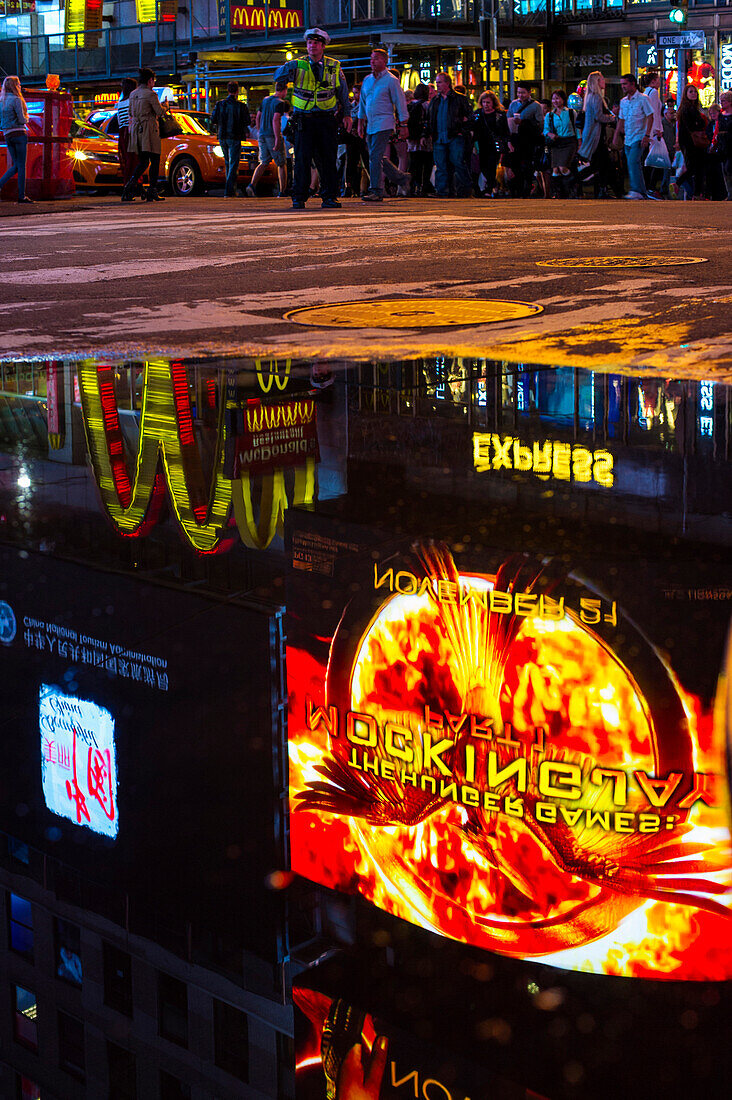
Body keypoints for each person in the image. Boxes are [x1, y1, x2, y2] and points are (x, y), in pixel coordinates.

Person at [274, 27, 352, 210]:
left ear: (323, 46)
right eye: (309, 43)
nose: (312, 46)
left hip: (326, 119)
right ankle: (299, 197)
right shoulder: (298, 64)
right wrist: (287, 67)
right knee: (302, 159)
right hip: (304, 119)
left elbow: (342, 92)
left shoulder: (334, 65)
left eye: (316, 43)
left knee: (328, 159)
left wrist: (347, 114)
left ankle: (329, 197)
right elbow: (277, 78)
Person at [358, 48, 410, 202]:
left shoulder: (391, 80)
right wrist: (360, 121)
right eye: (371, 58)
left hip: (385, 122)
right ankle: (401, 178)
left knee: (375, 155)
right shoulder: (367, 80)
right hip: (371, 123)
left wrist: (404, 123)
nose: (372, 61)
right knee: (377, 155)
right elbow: (362, 102)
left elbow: (400, 102)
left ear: (385, 61)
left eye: (376, 59)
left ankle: (376, 189)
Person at [122, 68, 165, 202]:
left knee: (143, 161)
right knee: (155, 160)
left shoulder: (133, 94)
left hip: (136, 130)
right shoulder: (151, 94)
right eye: (153, 80)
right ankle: (152, 190)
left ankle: (129, 187)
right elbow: (159, 111)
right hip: (149, 129)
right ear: (150, 80)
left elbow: (130, 112)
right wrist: (166, 106)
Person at [426, 71, 472, 197]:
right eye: (437, 83)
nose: (437, 85)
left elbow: (470, 117)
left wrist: (462, 131)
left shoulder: (459, 99)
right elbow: (430, 118)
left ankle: (465, 190)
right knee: (441, 166)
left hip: (454, 135)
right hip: (439, 137)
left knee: (458, 163)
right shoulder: (435, 100)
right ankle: (443, 191)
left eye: (440, 82)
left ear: (447, 83)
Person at [614, 73, 656, 199]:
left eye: (625, 84)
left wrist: (647, 135)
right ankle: (641, 191)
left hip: (639, 136)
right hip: (628, 137)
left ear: (633, 84)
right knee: (633, 163)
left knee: (633, 161)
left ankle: (636, 189)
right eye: (621, 84)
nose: (623, 87)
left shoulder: (643, 99)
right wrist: (616, 134)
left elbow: (650, 116)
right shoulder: (624, 101)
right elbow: (621, 119)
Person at [577, 71, 615, 198]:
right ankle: (603, 190)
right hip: (596, 136)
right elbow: (599, 116)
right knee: (603, 164)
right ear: (597, 82)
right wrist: (612, 118)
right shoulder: (597, 97)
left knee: (600, 164)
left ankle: (601, 190)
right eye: (602, 79)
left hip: (593, 135)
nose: (604, 82)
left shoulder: (590, 97)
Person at [248, 80, 288, 197]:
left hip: (262, 135)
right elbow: (276, 120)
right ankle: (282, 191)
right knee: (281, 163)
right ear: (284, 90)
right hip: (272, 135)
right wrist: (277, 138)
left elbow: (258, 116)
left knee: (263, 162)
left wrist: (260, 130)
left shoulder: (265, 100)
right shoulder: (280, 103)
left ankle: (251, 185)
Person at [211, 81, 251, 198]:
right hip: (235, 136)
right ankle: (229, 190)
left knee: (228, 162)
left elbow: (213, 119)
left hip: (222, 136)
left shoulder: (220, 104)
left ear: (228, 90)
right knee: (234, 163)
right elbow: (247, 121)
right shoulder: (241, 106)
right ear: (237, 91)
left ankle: (231, 189)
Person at [505, 82, 544, 197]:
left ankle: (526, 191)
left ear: (529, 92)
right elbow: (508, 121)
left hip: (529, 141)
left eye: (523, 93)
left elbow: (540, 124)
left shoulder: (536, 106)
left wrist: (524, 123)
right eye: (518, 92)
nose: (520, 95)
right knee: (515, 167)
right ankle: (517, 191)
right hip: (515, 139)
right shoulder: (513, 104)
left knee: (527, 167)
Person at [0, 75, 32, 204]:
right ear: (15, 86)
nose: (20, 86)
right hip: (19, 133)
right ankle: (21, 196)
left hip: (7, 134)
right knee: (21, 166)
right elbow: (21, 119)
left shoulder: (1, 100)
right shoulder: (17, 99)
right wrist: (27, 118)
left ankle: (2, 184)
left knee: (16, 165)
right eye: (18, 84)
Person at [676, 83, 709, 200]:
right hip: (691, 142)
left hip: (692, 141)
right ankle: (678, 183)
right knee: (694, 167)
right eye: (691, 92)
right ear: (686, 94)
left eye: (695, 92)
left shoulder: (692, 108)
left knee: (699, 167)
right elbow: (692, 125)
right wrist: (701, 122)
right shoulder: (687, 108)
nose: (694, 94)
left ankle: (697, 194)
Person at [472, 91, 508, 197]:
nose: (486, 105)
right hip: (481, 144)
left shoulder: (499, 115)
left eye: (488, 102)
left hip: (494, 144)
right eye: (484, 102)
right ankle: (492, 185)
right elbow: (473, 127)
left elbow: (504, 130)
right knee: (483, 166)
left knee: (492, 166)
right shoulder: (478, 114)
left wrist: (507, 142)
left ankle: (489, 189)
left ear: (493, 103)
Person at [543, 89, 578, 198]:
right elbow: (545, 130)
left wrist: (580, 142)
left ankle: (573, 188)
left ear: (563, 99)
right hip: (556, 143)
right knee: (555, 170)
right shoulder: (550, 115)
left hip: (569, 142)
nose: (555, 101)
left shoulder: (571, 113)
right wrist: (550, 134)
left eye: (557, 98)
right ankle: (560, 193)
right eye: (553, 98)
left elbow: (577, 129)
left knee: (563, 167)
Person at [406, 83, 433, 196]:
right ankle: (424, 187)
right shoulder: (427, 105)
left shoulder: (410, 105)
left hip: (412, 139)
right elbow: (428, 121)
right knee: (426, 164)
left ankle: (413, 186)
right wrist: (424, 135)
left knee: (414, 164)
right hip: (424, 138)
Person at [115, 77, 138, 190]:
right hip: (131, 131)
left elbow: (119, 121)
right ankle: (133, 183)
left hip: (122, 132)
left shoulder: (120, 103)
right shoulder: (132, 101)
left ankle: (127, 182)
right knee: (134, 159)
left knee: (127, 159)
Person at [712, 90, 732, 200]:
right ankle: (729, 193)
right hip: (723, 145)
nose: (722, 103)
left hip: (730, 144)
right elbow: (717, 129)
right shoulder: (721, 116)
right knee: (724, 169)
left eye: (724, 101)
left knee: (729, 167)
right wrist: (714, 142)